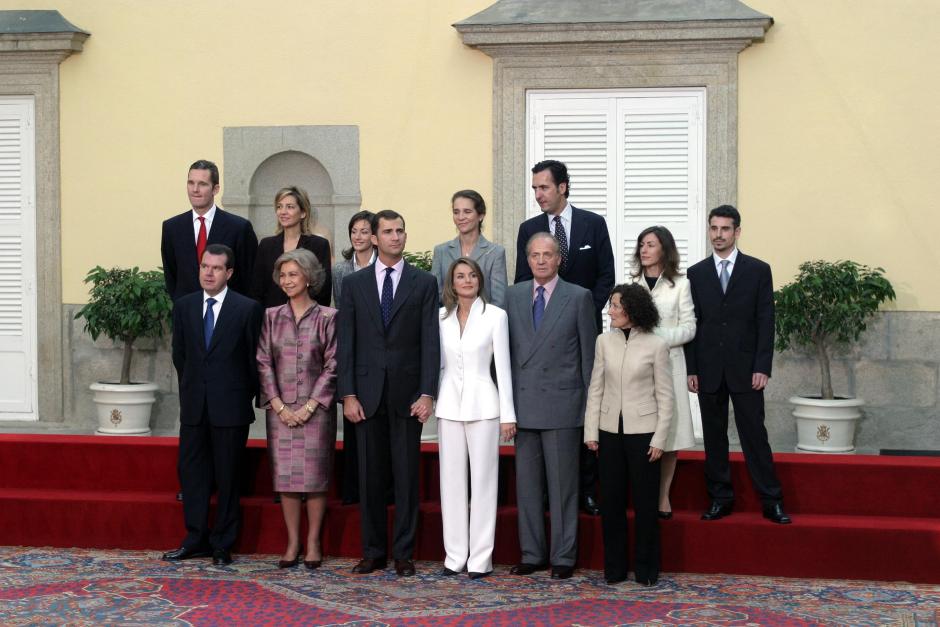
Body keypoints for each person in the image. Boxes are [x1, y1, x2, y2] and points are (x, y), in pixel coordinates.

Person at [336, 210, 440, 577]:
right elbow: (346, 342)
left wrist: (427, 393)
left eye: (400, 231)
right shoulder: (354, 284)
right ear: (374, 238)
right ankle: (373, 552)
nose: (396, 237)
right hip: (365, 396)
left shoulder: (424, 282)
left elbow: (431, 342)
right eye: (388, 231)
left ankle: (404, 553)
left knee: (407, 477)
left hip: (408, 396)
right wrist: (348, 394)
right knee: (370, 478)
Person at [514, 159, 615, 517]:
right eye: (534, 188)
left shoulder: (593, 223)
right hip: (542, 340)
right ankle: (545, 493)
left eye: (543, 187)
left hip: (583, 332)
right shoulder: (529, 229)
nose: (538, 194)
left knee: (584, 405)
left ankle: (586, 490)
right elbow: (522, 282)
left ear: (562, 187)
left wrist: (581, 314)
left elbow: (606, 277)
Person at [685, 205, 791, 524]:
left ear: (737, 232)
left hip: (747, 370)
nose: (718, 235)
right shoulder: (696, 273)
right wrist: (692, 369)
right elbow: (692, 323)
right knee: (714, 438)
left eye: (725, 229)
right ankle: (720, 498)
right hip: (708, 369)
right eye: (714, 228)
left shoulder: (758, 270)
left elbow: (766, 321)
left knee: (754, 435)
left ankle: (771, 500)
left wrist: (763, 366)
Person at [162, 244, 263, 566]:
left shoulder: (247, 308)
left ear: (229, 273)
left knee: (229, 477)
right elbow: (180, 355)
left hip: (231, 407)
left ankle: (222, 543)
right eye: (205, 266)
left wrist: (240, 394)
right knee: (192, 475)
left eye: (216, 268)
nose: (208, 272)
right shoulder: (184, 306)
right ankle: (195, 539)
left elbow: (253, 359)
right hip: (194, 406)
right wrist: (194, 388)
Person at [505, 232, 596, 580]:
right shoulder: (512, 296)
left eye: (547, 254)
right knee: (527, 488)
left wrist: (590, 412)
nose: (541, 260)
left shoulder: (579, 297)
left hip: (563, 406)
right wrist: (505, 406)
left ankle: (563, 556)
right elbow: (504, 353)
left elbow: (588, 359)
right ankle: (531, 554)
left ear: (559, 259)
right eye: (534, 255)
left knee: (563, 488)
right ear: (527, 260)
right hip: (524, 404)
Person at [584, 284, 673, 586]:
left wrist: (660, 438)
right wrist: (591, 431)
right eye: (610, 305)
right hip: (609, 432)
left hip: (645, 435)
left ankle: (646, 570)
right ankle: (615, 569)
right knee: (611, 503)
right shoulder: (603, 342)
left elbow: (666, 397)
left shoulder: (656, 345)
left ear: (632, 309)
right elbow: (596, 389)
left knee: (646, 505)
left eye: (615, 306)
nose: (610, 311)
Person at [256, 249, 337, 570]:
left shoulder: (328, 317)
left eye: (293, 274)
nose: (287, 280)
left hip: (316, 412)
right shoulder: (270, 316)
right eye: (283, 275)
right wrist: (278, 405)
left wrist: (310, 406)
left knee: (315, 478)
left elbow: (333, 365)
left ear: (309, 277)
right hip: (280, 412)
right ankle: (293, 542)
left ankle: (313, 542)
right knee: (286, 477)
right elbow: (263, 362)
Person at [436, 257, 516, 579]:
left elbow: (504, 369)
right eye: (460, 276)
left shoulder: (496, 316)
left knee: (484, 483)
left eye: (472, 275)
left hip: (485, 407)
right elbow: (439, 365)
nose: (467, 280)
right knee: (450, 484)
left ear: (480, 280)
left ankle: (480, 559)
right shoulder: (440, 317)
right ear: (452, 283)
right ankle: (454, 556)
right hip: (448, 407)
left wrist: (508, 415)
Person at [629, 226, 696, 518]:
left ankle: (663, 496)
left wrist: (657, 337)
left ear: (664, 249)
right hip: (637, 369)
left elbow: (690, 327)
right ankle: (642, 493)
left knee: (669, 435)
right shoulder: (631, 285)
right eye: (642, 244)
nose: (644, 250)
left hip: (670, 365)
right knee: (641, 431)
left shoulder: (680, 284)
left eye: (651, 244)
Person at [161, 160, 258, 301]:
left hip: (229, 310)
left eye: (202, 184)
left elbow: (249, 277)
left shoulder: (239, 228)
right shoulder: (172, 228)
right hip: (187, 309)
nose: (195, 189)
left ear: (215, 189)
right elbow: (171, 275)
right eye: (191, 183)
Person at [331, 209, 376, 505]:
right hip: (351, 349)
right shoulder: (340, 270)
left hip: (378, 351)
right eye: (354, 231)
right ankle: (353, 490)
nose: (358, 237)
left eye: (364, 231)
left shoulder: (384, 265)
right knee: (353, 424)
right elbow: (340, 311)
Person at [250, 186, 332, 309]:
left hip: (309, 317)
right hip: (271, 317)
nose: (283, 212)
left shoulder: (319, 245)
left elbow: (323, 290)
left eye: (290, 207)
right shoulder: (266, 245)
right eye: (279, 206)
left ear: (303, 212)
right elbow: (257, 290)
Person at [431, 190, 508, 307]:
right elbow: (435, 296)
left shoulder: (495, 253)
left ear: (481, 215)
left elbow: (499, 301)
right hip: (448, 316)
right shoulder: (441, 251)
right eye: (456, 212)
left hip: (484, 317)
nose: (461, 217)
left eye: (467, 211)